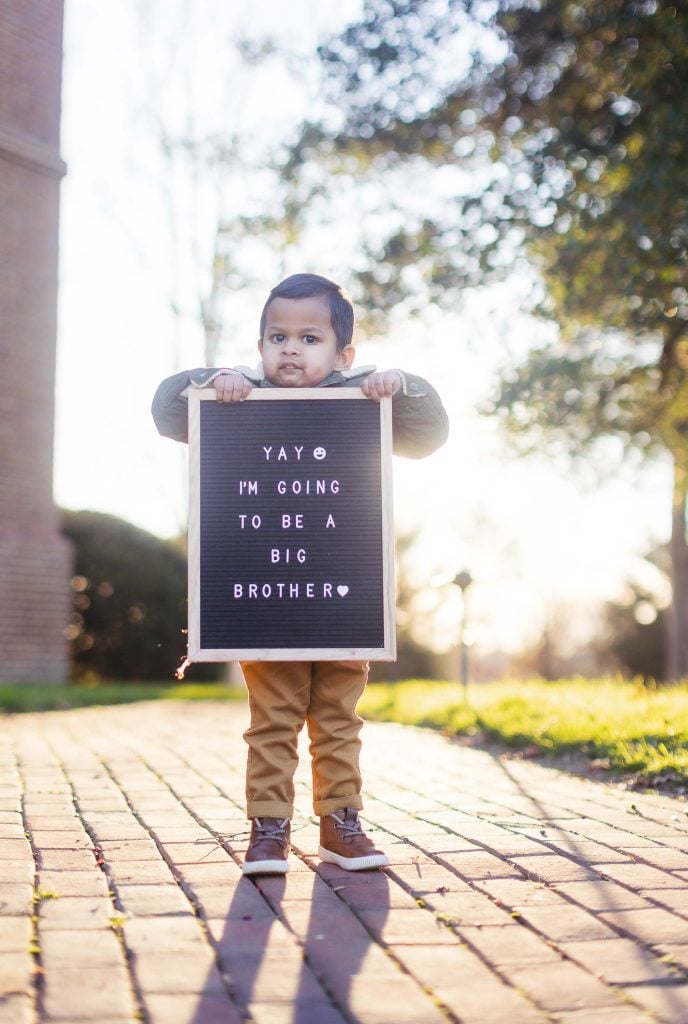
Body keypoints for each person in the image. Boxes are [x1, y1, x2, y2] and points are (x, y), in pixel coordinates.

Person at [152, 272, 449, 875]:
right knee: (273, 719)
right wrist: (215, 381)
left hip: (343, 601)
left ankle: (341, 824)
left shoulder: (361, 399)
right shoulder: (240, 396)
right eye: (276, 336)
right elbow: (166, 409)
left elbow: (430, 436)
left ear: (343, 354)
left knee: (340, 719)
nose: (291, 349)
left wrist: (400, 386)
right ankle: (269, 828)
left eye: (310, 338)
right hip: (268, 604)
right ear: (260, 345)